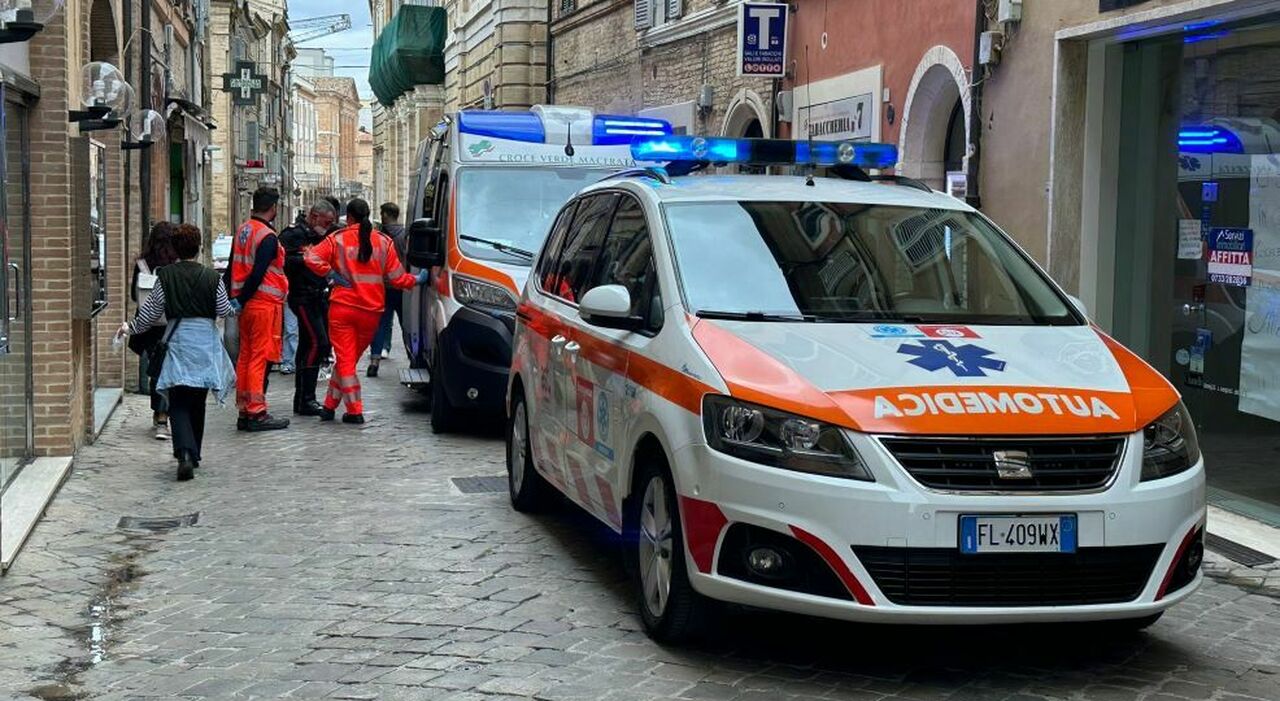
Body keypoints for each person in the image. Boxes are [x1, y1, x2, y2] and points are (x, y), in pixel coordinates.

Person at [117, 224, 237, 481]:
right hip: (205, 342)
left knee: (179, 399)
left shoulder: (166, 276)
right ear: (199, 247)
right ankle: (194, 454)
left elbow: (150, 313)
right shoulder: (212, 277)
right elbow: (224, 309)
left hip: (178, 341)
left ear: (175, 249)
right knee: (198, 400)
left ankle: (183, 452)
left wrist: (131, 327)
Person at [305, 198, 429, 423]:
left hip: (343, 309)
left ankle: (354, 410)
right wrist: (418, 280)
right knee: (348, 360)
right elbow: (397, 278)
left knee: (344, 361)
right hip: (371, 312)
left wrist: (331, 274)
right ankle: (329, 406)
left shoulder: (337, 239)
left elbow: (310, 258)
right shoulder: (383, 242)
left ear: (349, 217)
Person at [229, 186, 290, 431]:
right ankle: (257, 412)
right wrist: (244, 298)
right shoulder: (267, 236)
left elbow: (233, 268)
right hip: (262, 304)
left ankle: (244, 409)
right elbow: (258, 273)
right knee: (258, 358)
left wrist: (235, 300)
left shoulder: (243, 230)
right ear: (273, 208)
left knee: (245, 356)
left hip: (246, 306)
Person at [280, 199, 339, 415]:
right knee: (318, 343)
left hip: (319, 296)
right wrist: (305, 260)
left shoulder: (322, 236)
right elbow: (282, 261)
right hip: (302, 296)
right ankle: (306, 398)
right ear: (314, 216)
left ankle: (303, 399)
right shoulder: (293, 235)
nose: (328, 226)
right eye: (327, 221)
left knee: (308, 345)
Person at [131, 221, 179, 440]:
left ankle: (159, 414)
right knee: (169, 370)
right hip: (172, 324)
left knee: (156, 369)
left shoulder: (142, 263)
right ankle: (163, 415)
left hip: (148, 326)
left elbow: (134, 295)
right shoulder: (176, 264)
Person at [367, 202, 407, 378]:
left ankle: (374, 362)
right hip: (403, 285)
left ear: (384, 215)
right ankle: (414, 359)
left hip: (382, 286)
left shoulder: (378, 236)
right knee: (407, 324)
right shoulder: (406, 235)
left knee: (380, 324)